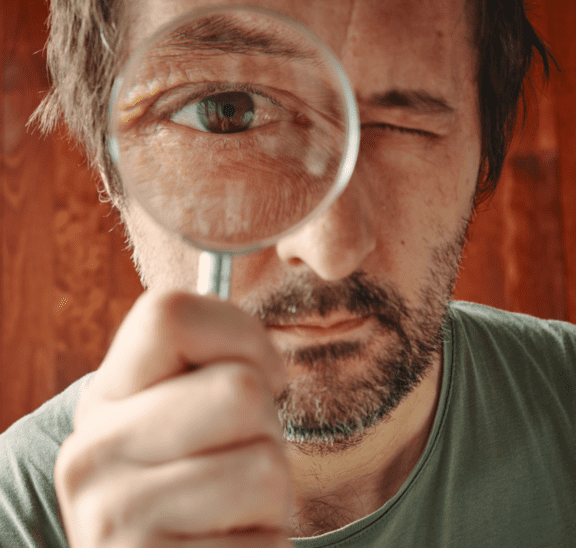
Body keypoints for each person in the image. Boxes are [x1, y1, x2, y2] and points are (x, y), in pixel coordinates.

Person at [1, 0, 574, 546]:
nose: (330, 249)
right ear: (110, 164)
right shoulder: (16, 516)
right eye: (228, 113)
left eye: (403, 123)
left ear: (483, 152)